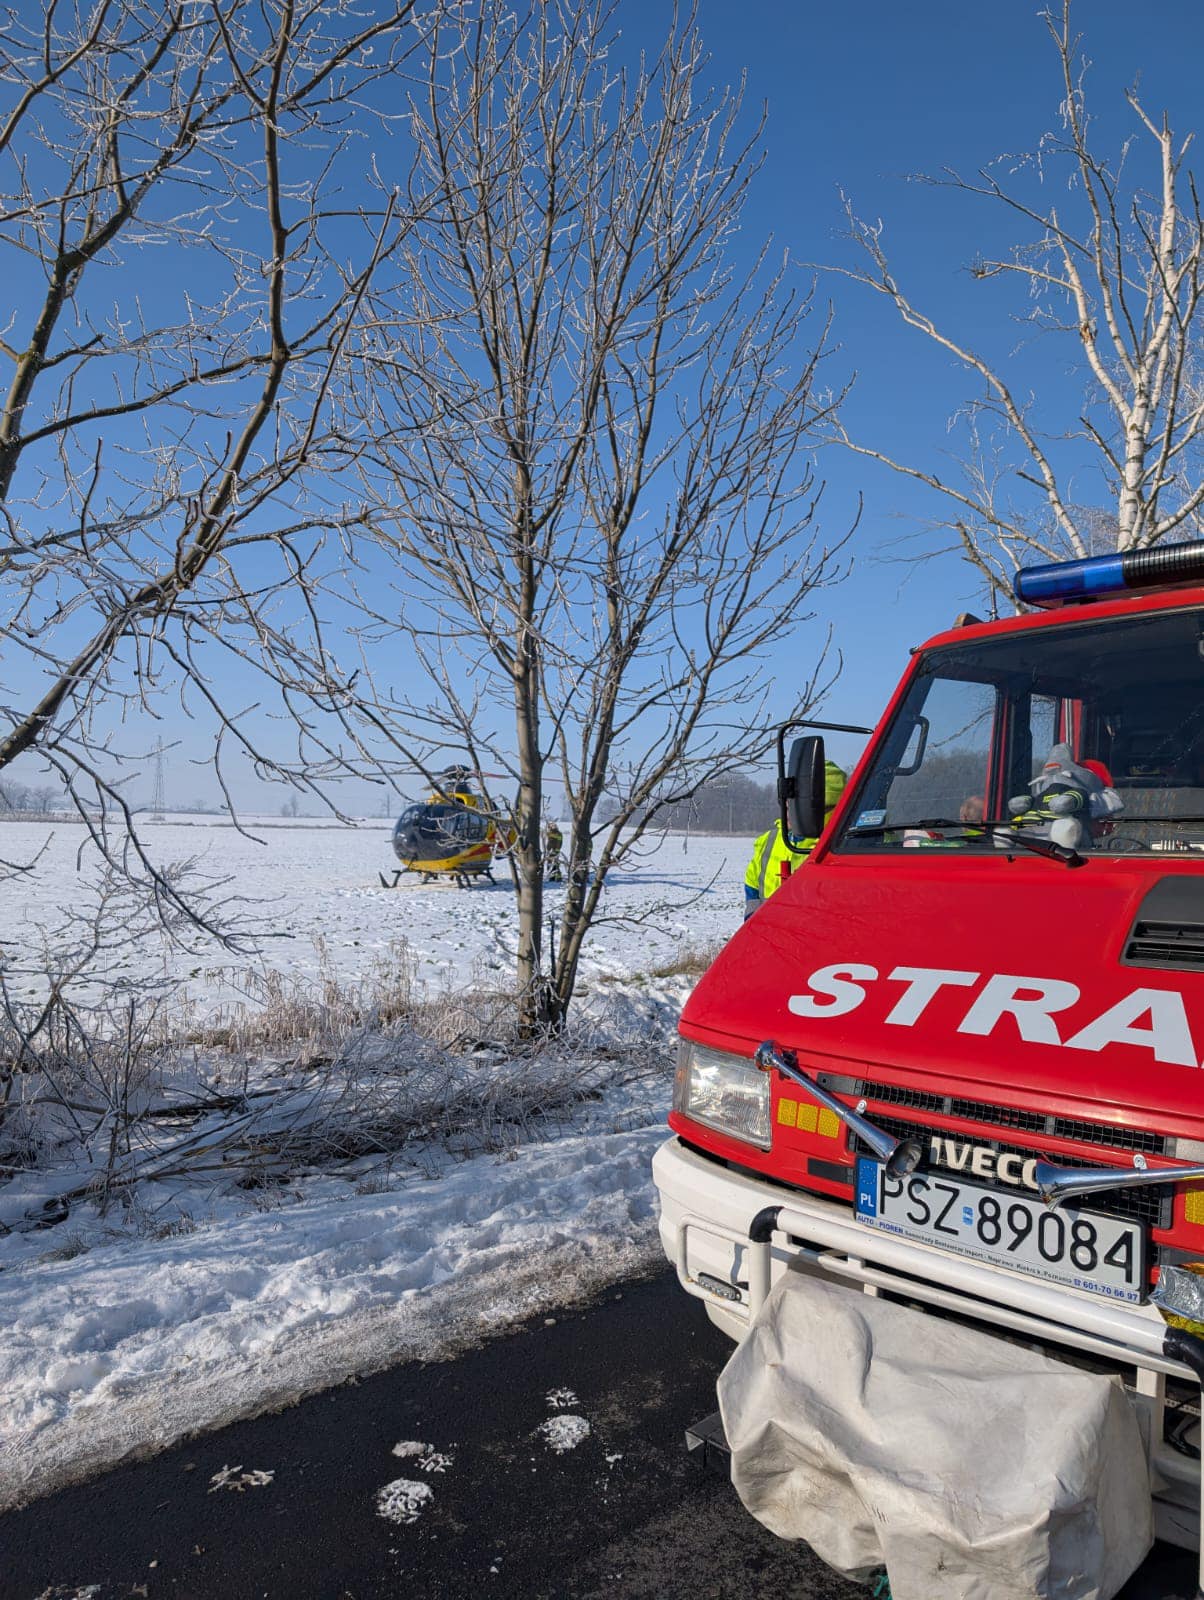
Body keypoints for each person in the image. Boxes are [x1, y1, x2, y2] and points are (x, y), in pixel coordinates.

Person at [743, 762, 847, 920]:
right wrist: (754, 922)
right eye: (787, 804)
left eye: (797, 805)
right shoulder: (768, 840)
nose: (788, 812)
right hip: (770, 931)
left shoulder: (846, 847)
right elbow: (752, 885)